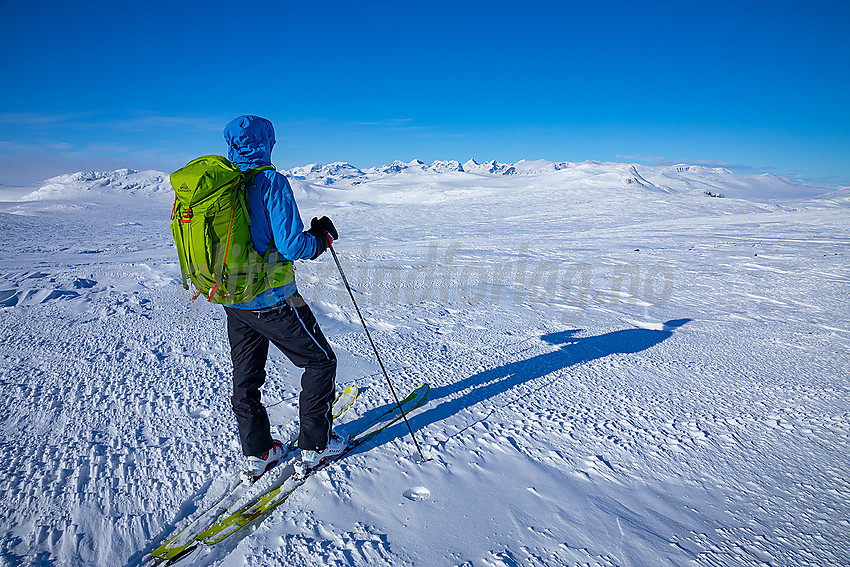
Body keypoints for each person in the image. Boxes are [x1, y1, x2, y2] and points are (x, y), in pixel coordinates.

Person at [221, 115, 346, 479]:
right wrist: (320, 240)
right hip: (273, 298)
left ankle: (259, 453)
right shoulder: (270, 182)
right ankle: (316, 446)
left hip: (233, 298)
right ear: (268, 142)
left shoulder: (224, 185)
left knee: (246, 379)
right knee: (321, 362)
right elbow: (292, 246)